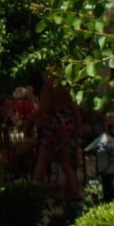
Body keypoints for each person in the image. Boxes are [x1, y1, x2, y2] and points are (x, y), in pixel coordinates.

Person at [26, 67, 82, 200]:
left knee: (42, 160)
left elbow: (43, 108)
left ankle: (33, 194)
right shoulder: (67, 86)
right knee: (65, 161)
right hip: (67, 124)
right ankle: (76, 193)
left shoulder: (48, 87)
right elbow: (75, 108)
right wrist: (77, 127)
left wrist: (29, 122)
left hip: (54, 125)